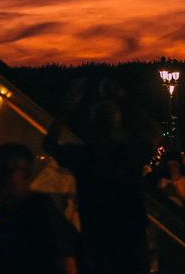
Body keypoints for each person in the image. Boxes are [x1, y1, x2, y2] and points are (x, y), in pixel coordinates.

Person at [44, 93, 150, 274]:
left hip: (96, 233)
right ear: (118, 123)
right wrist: (126, 100)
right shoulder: (129, 154)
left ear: (93, 124)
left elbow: (49, 146)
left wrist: (64, 112)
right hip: (131, 234)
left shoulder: (83, 156)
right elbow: (151, 135)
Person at [0, 143, 77, 274]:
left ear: (27, 176)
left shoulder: (40, 211)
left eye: (5, 172)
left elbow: (66, 263)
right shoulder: (8, 211)